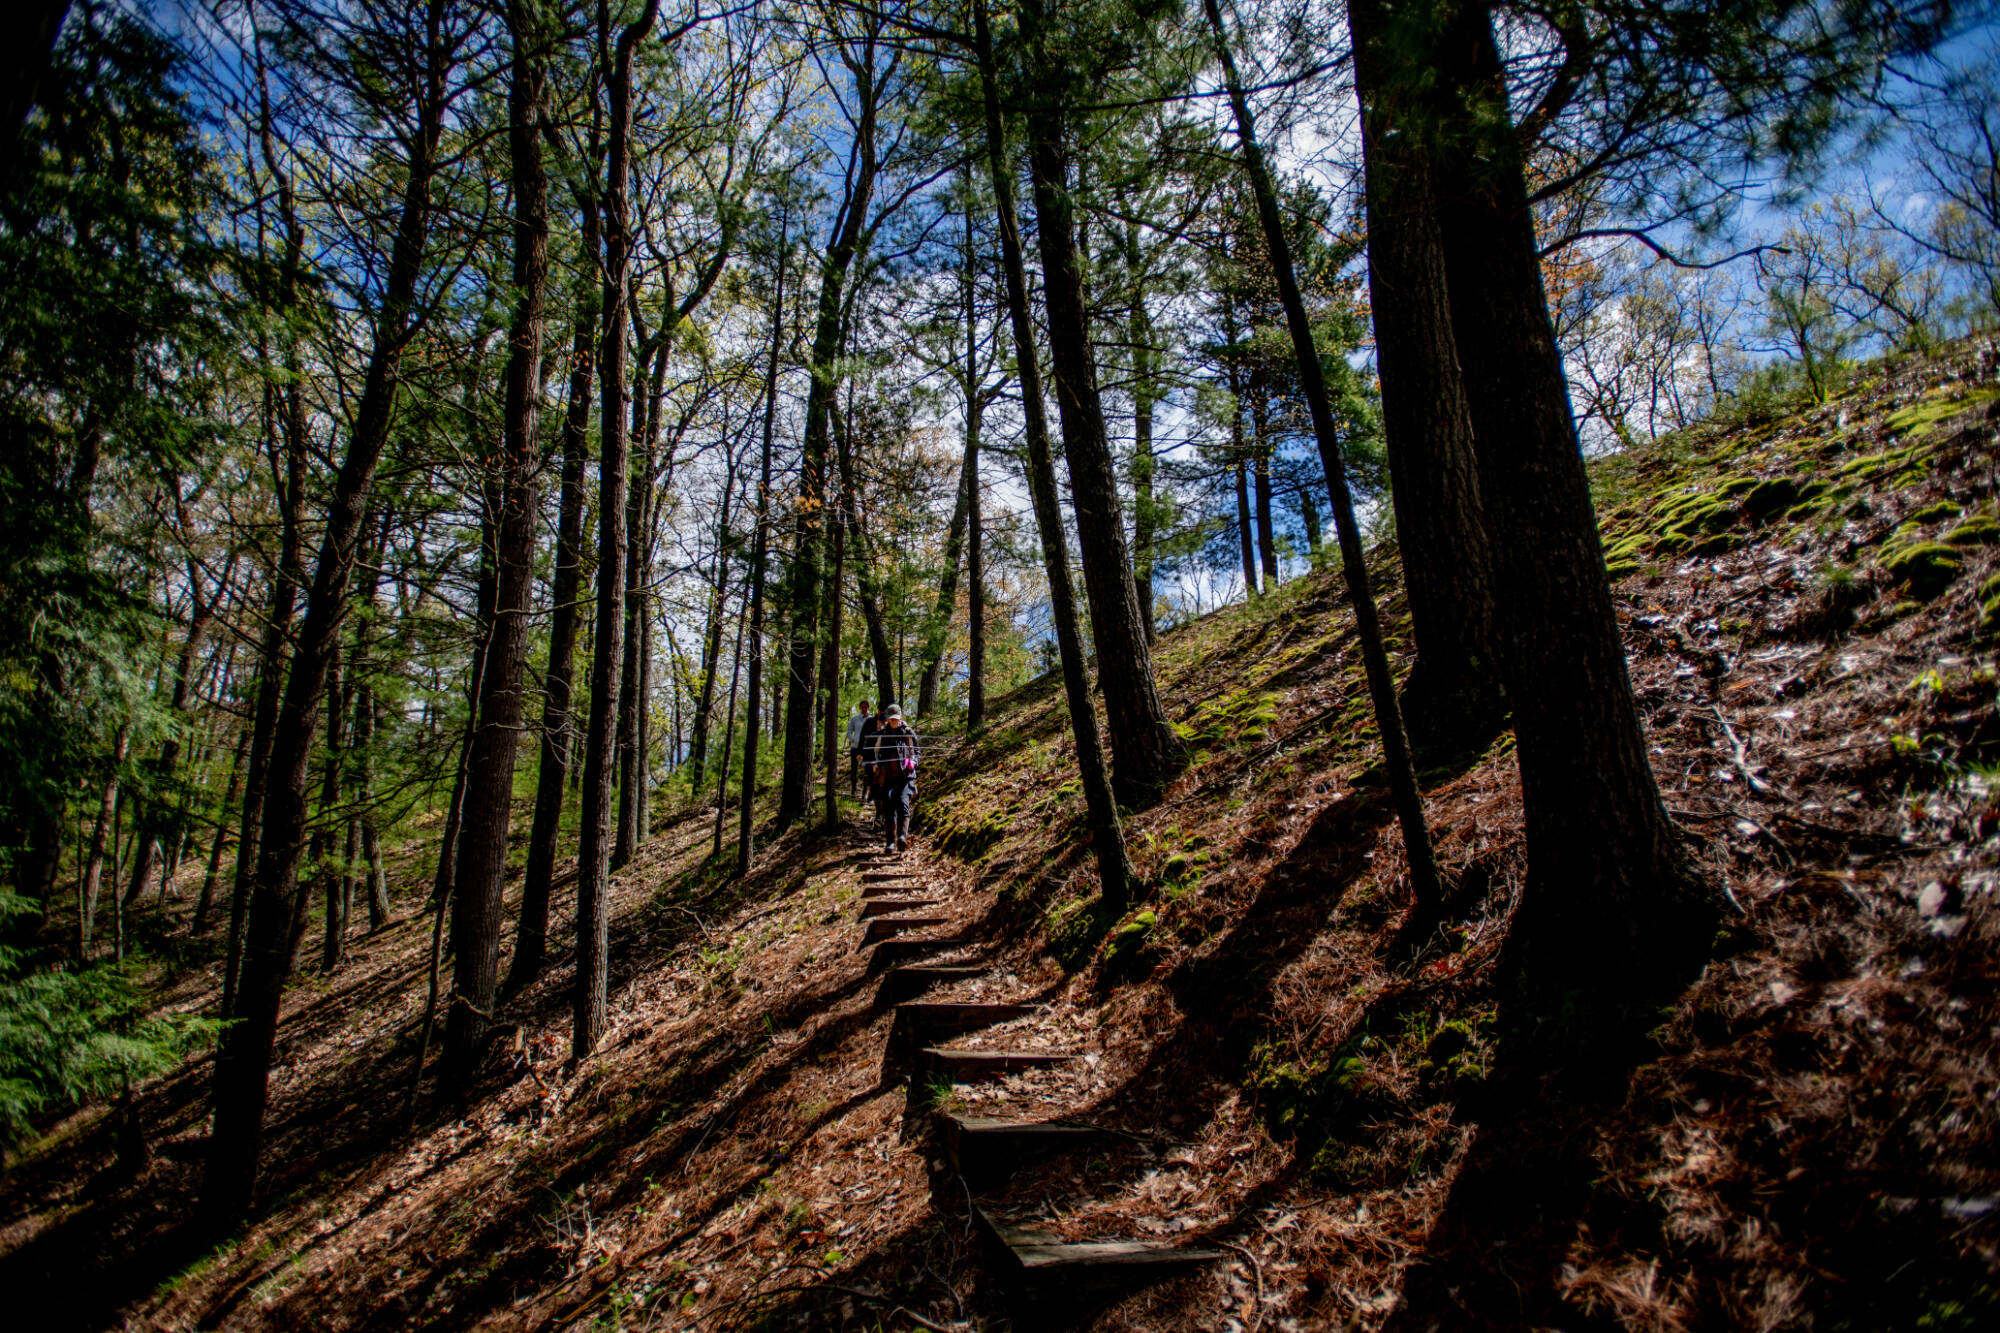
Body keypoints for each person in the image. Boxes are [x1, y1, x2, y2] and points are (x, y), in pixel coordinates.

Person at [869, 703, 918, 853]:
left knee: (903, 803)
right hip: (887, 777)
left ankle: (902, 837)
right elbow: (874, 753)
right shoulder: (882, 734)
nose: (893, 722)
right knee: (889, 809)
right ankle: (890, 842)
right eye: (891, 719)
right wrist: (875, 764)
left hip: (905, 776)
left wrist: (913, 762)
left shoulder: (908, 733)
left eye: (896, 719)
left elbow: (916, 753)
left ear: (900, 718)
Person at [846, 699, 874, 800]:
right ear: (860, 707)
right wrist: (856, 740)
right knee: (854, 769)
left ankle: (864, 793)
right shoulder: (854, 719)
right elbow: (848, 733)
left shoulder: (871, 719)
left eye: (866, 707)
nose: (864, 709)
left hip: (866, 748)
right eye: (862, 707)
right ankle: (853, 790)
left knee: (867, 770)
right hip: (855, 747)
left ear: (868, 707)